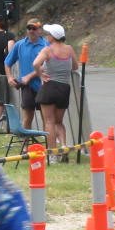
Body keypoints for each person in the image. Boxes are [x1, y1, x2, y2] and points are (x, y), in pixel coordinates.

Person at [32, 23, 78, 163]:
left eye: (48, 34)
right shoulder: (69, 49)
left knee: (49, 122)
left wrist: (40, 75)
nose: (47, 36)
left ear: (53, 37)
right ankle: (63, 147)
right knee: (59, 121)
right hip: (64, 87)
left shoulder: (48, 50)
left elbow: (35, 64)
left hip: (50, 86)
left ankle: (52, 155)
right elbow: (75, 66)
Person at [4, 18, 48, 130]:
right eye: (29, 28)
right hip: (27, 86)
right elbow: (7, 62)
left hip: (44, 85)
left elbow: (47, 66)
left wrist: (30, 76)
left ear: (40, 30)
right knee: (27, 117)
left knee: (46, 118)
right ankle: (25, 145)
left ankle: (48, 145)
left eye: (34, 28)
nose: (31, 31)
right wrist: (9, 77)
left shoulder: (46, 45)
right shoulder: (20, 45)